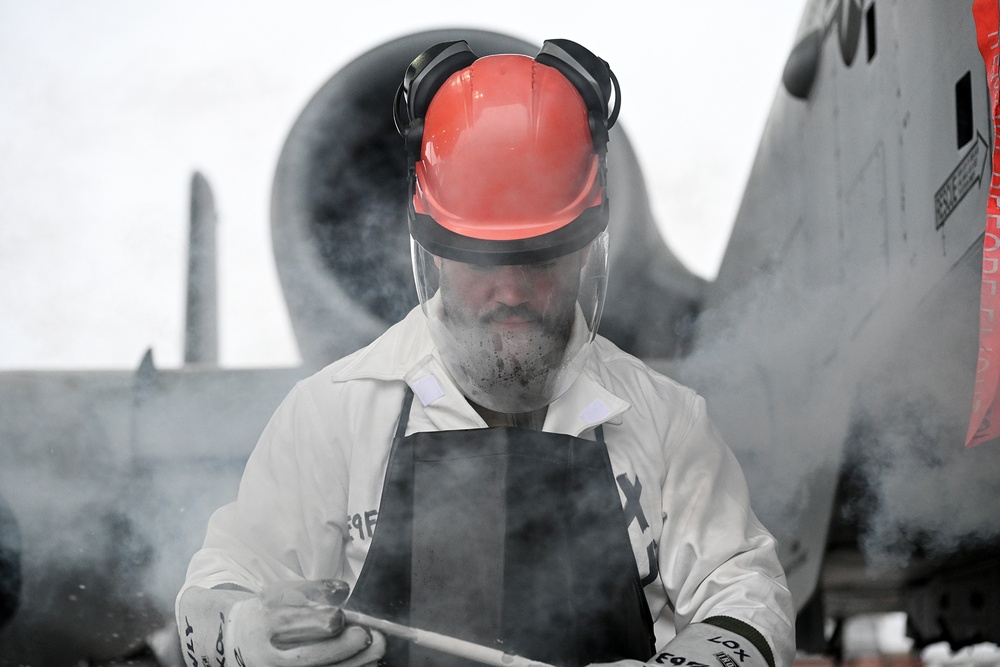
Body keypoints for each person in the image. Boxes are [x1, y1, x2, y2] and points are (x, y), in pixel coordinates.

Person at [176, 38, 795, 667]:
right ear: (435, 247)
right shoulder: (332, 418)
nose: (510, 291)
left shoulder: (665, 422)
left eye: (539, 257)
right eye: (482, 259)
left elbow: (746, 596)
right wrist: (245, 631)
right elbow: (212, 598)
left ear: (586, 246)